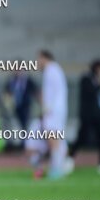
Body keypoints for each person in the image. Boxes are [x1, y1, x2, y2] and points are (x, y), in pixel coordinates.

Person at [69, 59, 100, 174]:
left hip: (97, 115)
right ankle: (69, 159)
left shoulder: (96, 79)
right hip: (87, 115)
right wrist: (99, 84)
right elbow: (90, 93)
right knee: (82, 137)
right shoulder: (86, 78)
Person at [38, 50, 71, 179]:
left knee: (53, 138)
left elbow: (53, 93)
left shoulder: (51, 70)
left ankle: (57, 167)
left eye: (38, 59)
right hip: (56, 110)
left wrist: (48, 107)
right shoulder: (55, 70)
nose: (37, 62)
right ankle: (59, 165)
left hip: (53, 111)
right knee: (56, 138)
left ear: (44, 58)